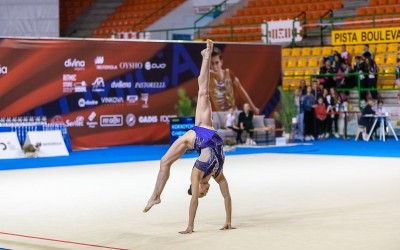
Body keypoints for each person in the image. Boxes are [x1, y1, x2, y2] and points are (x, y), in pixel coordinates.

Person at [143, 40, 235, 234]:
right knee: (203, 92)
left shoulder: (197, 174)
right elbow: (226, 196)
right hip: (207, 131)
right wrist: (228, 220)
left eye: (202, 193)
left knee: (164, 162)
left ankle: (155, 195)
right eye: (204, 193)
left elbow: (193, 200)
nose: (204, 192)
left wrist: (190, 227)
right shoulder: (217, 174)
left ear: (196, 189)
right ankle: (206, 55)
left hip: (196, 136)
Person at [209, 47, 260, 115]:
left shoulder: (228, 73)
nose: (215, 66)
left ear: (221, 62)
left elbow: (241, 91)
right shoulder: (208, 77)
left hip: (233, 113)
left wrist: (253, 108)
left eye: (216, 63)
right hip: (219, 116)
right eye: (212, 63)